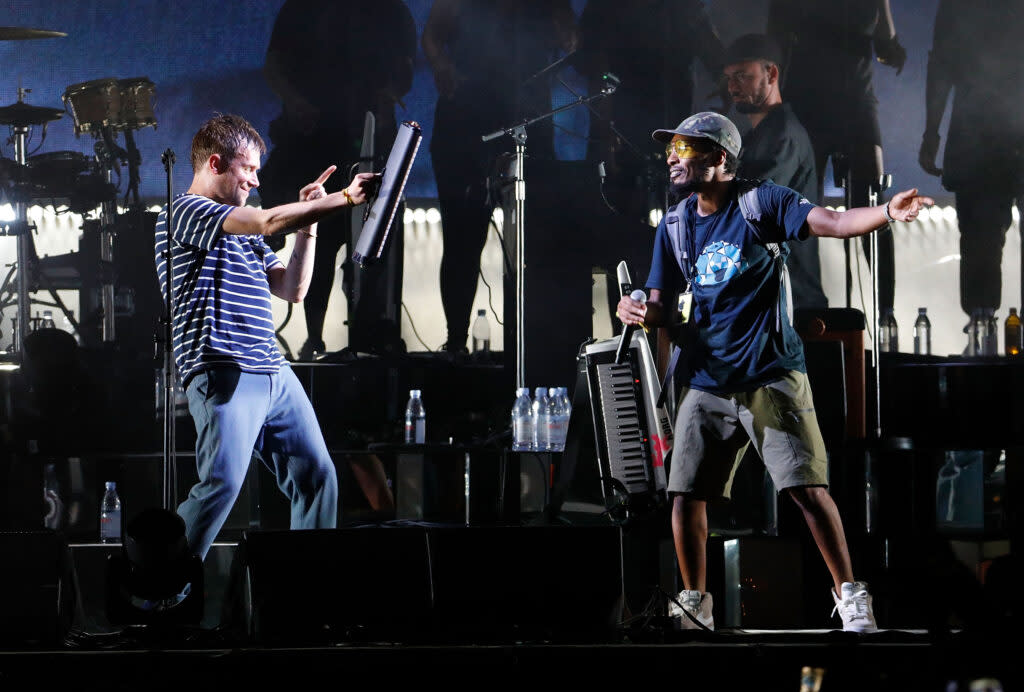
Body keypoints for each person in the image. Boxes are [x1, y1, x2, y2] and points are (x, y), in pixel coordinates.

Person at [616, 111, 932, 631]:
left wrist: (887, 213)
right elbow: (663, 307)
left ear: (720, 158)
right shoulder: (673, 224)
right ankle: (695, 604)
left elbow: (830, 223)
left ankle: (852, 598)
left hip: (769, 373)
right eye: (670, 146)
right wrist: (639, 311)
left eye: (687, 148)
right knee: (685, 495)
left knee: (806, 489)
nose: (673, 156)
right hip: (705, 377)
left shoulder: (761, 201)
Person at [154, 114, 378, 559]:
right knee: (221, 484)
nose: (255, 182)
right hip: (224, 369)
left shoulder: (243, 231)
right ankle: (159, 588)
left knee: (317, 477)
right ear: (216, 163)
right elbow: (268, 221)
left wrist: (309, 226)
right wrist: (344, 199)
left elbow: (292, 288)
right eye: (249, 170)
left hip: (273, 371)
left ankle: (302, 595)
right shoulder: (186, 211)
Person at [261, 0, 417, 360]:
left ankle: (367, 334)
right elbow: (273, 67)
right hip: (315, 138)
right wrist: (296, 103)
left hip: (372, 134)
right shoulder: (303, 8)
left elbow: (407, 65)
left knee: (374, 242)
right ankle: (314, 340)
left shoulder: (391, 8)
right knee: (322, 238)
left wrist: (390, 95)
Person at [422, 0, 577, 354]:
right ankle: (457, 341)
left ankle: (537, 343)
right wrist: (441, 63)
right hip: (464, 122)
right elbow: (431, 34)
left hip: (529, 117)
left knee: (539, 239)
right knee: (462, 239)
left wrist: (569, 36)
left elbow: (568, 32)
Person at [768, 0, 906, 314]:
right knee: (803, 206)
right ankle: (807, 305)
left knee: (870, 200)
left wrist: (891, 51)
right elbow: (774, 44)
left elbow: (885, 44)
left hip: (849, 105)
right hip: (813, 105)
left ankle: (884, 313)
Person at [919, 0, 1024, 339]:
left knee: (979, 237)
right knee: (980, 238)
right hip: (985, 134)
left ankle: (982, 327)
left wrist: (931, 132)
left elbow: (941, 67)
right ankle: (982, 323)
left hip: (976, 135)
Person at [723, 32, 827, 311]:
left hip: (791, 300)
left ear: (771, 73)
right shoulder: (756, 137)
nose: (733, 86)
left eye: (743, 75)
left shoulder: (784, 134)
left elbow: (753, 207)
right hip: (770, 296)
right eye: (729, 77)